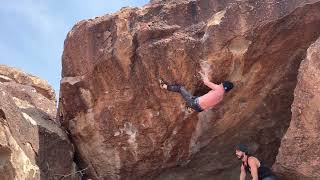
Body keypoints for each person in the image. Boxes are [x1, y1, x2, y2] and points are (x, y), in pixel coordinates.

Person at [159, 76, 233, 112]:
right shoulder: (221, 97)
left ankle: (164, 86)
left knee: (180, 88)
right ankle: (190, 109)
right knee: (199, 96)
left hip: (194, 103)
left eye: (221, 83)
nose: (220, 83)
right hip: (199, 109)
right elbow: (210, 107)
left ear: (223, 85)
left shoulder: (219, 88)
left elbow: (206, 82)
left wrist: (204, 74)